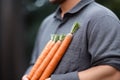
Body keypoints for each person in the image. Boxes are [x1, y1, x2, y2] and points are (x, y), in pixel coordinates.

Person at [22, 0, 120, 80]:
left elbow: (114, 73)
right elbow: (34, 63)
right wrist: (27, 76)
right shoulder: (47, 23)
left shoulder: (101, 18)